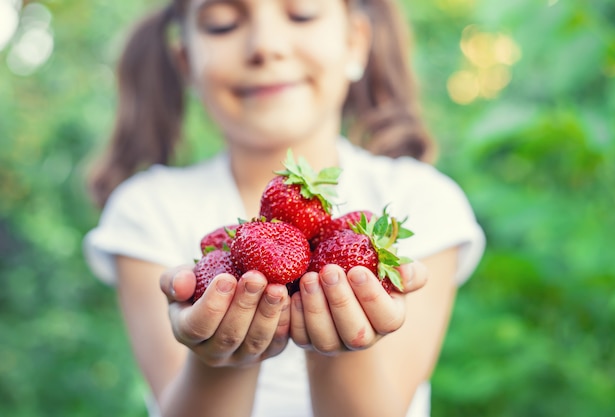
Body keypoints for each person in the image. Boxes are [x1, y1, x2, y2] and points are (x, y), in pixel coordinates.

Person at [83, 0, 485, 416]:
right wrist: (219, 358)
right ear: (185, 63)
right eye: (222, 24)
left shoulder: (421, 201)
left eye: (303, 13)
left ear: (356, 42)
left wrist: (338, 345)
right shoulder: (147, 208)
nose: (266, 46)